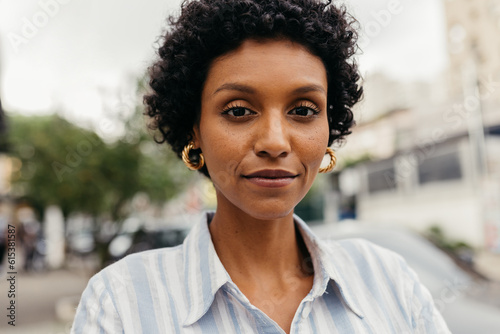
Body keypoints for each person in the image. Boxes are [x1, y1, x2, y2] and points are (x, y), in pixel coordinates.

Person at [72, 0, 450, 333]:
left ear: (329, 127)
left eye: (303, 110)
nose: (274, 141)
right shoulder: (122, 304)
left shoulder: (390, 281)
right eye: (238, 111)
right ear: (195, 130)